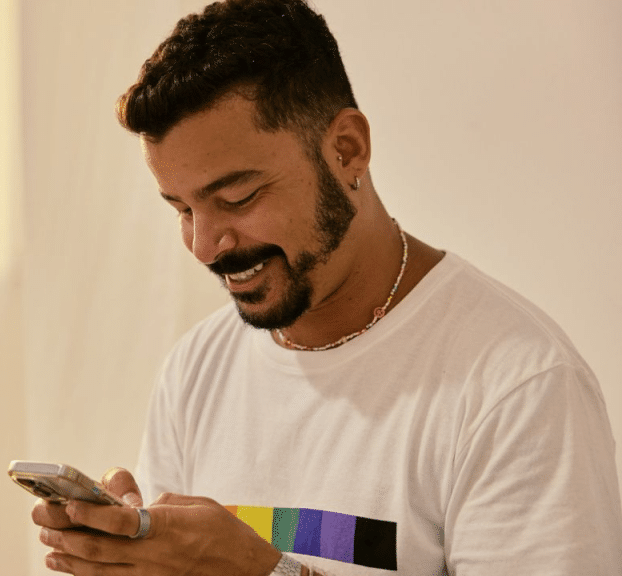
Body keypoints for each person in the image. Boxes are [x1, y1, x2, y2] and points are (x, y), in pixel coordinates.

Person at [31, 0, 622, 574]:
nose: (205, 245)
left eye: (237, 198)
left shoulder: (519, 388)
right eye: (182, 209)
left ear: (347, 150)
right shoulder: (196, 370)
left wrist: (267, 573)